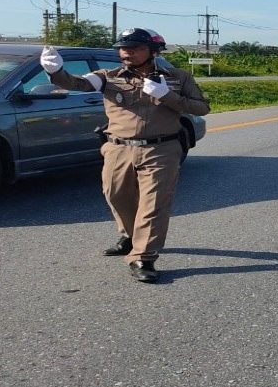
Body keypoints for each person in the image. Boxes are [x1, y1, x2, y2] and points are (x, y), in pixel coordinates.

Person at [40, 28, 210, 283]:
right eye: (123, 48)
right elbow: (76, 83)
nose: (127, 53)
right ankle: (130, 236)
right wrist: (55, 72)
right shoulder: (108, 77)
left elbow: (202, 107)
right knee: (116, 195)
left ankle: (144, 256)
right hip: (118, 148)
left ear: (153, 51)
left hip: (161, 149)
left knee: (153, 204)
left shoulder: (178, 77)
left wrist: (167, 96)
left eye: (135, 48)